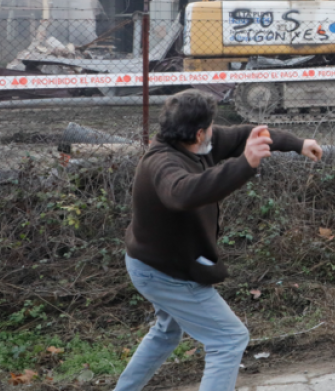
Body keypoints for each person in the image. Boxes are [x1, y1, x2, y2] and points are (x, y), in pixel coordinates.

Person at [115, 90, 323, 391]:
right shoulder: (161, 163)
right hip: (165, 273)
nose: (216, 132)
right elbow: (184, 192)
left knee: (166, 332)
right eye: (211, 127)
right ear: (199, 133)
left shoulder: (194, 144)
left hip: (153, 262)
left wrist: (297, 143)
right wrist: (245, 165)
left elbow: (245, 135)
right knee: (228, 339)